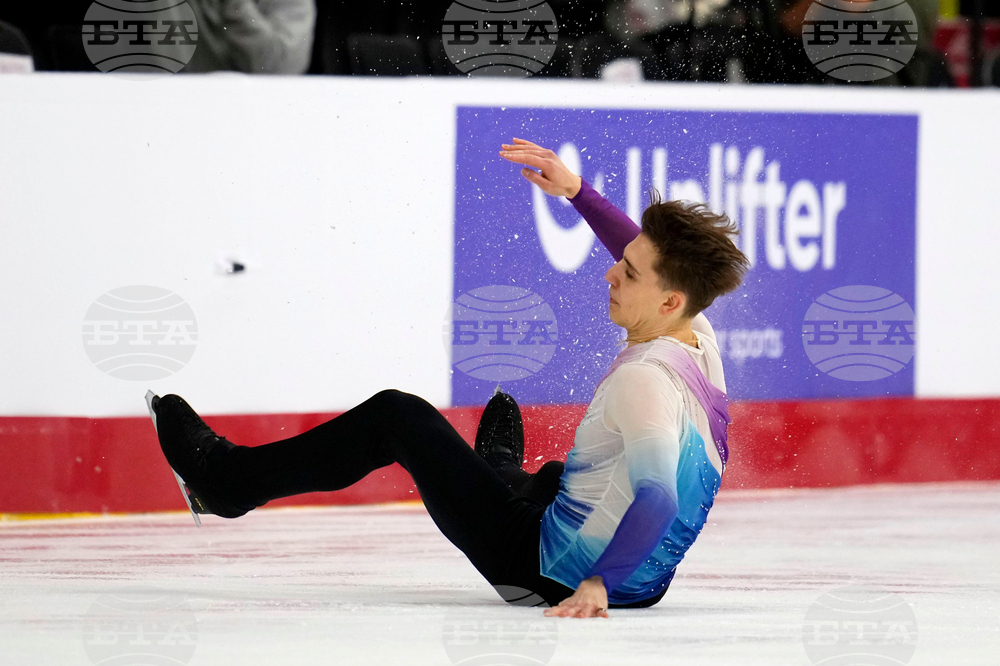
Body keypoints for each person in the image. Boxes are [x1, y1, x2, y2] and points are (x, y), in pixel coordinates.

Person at [150, 137, 749, 619]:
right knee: (556, 478)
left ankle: (224, 484)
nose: (610, 274)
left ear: (669, 301)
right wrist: (577, 193)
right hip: (646, 584)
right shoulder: (696, 339)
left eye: (629, 273)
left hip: (543, 570)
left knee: (397, 415)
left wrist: (596, 585)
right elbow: (649, 261)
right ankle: (499, 473)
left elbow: (659, 495)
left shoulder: (642, 381)